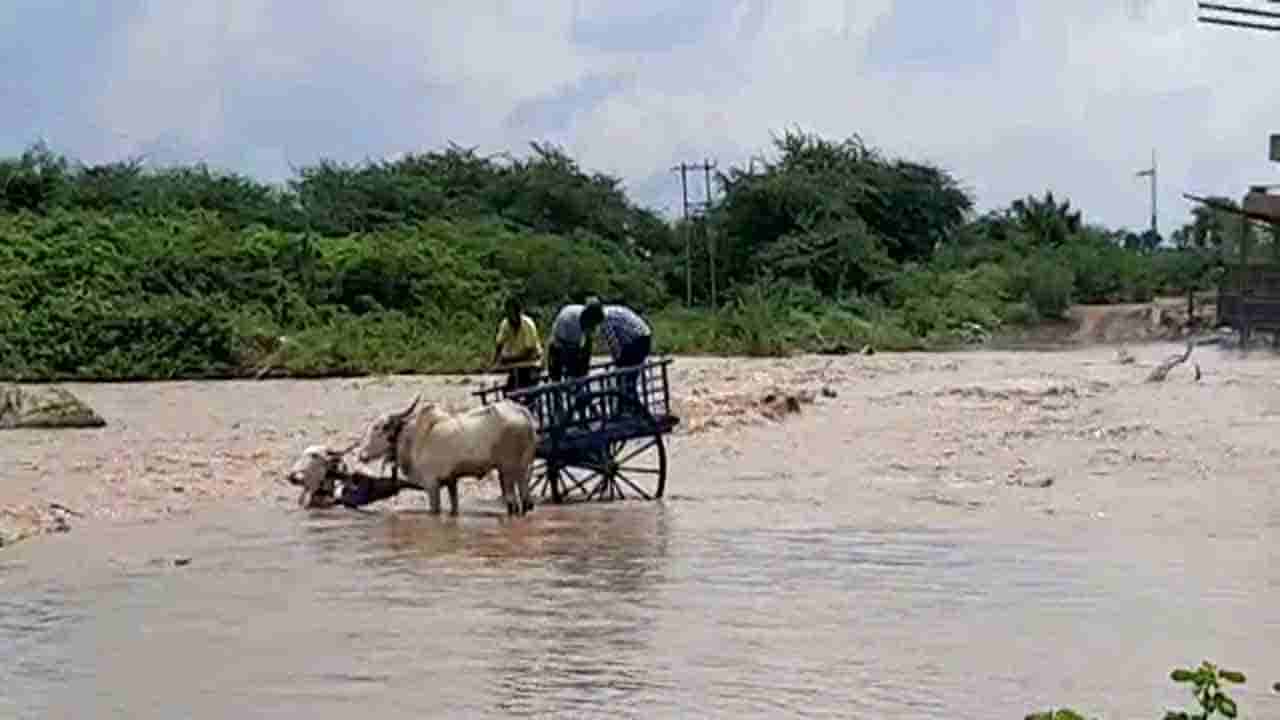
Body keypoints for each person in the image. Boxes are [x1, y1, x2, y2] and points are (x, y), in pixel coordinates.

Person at [578, 297, 652, 400]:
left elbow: (615, 348)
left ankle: (628, 405)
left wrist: (617, 368)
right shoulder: (608, 311)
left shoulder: (605, 321)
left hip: (639, 340)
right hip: (642, 335)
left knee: (624, 378)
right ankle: (628, 403)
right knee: (626, 379)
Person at [492, 297, 543, 392]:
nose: (511, 316)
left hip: (532, 361)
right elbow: (499, 344)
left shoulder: (528, 324)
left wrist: (509, 359)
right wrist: (495, 362)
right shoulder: (505, 324)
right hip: (515, 363)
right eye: (508, 313)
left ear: (518, 312)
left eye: (513, 313)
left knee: (527, 386)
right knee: (509, 389)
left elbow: (529, 351)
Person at [546, 302, 592, 383]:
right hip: (558, 344)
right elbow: (560, 342)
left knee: (579, 371)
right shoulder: (567, 319)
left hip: (573, 344)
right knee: (556, 376)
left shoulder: (590, 316)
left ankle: (577, 386)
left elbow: (589, 341)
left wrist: (585, 365)